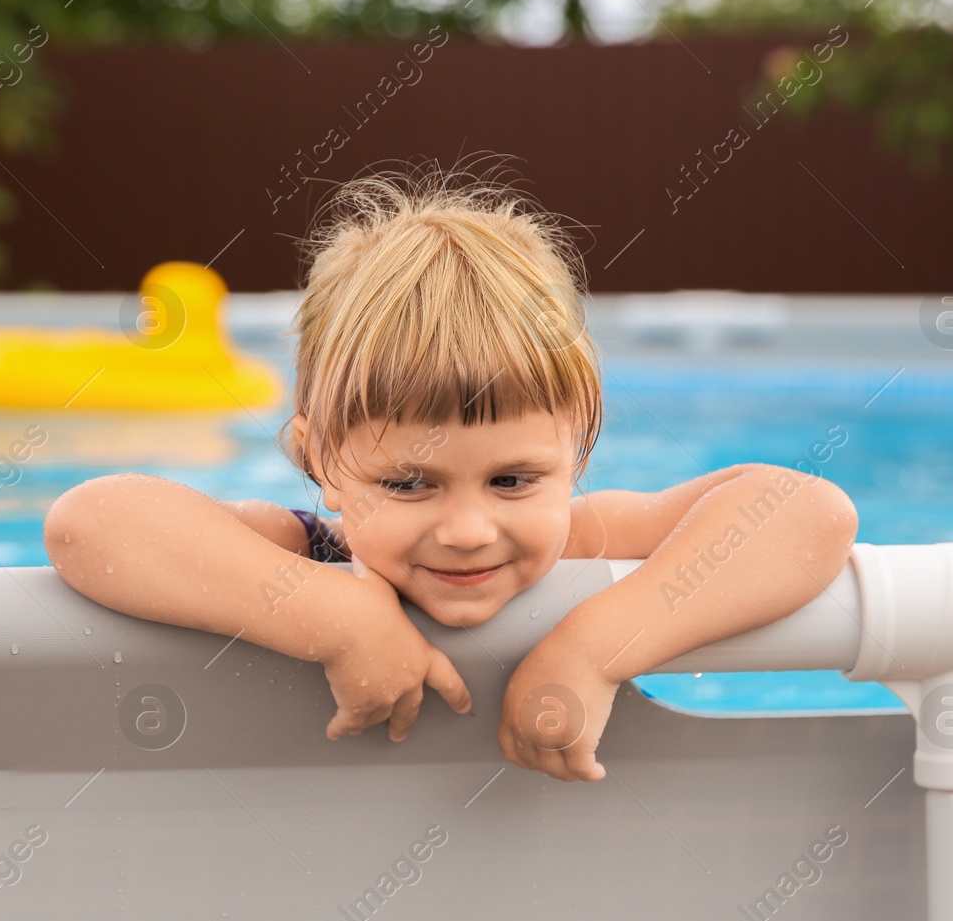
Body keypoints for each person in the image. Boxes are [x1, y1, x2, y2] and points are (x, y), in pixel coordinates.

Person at [43, 163, 858, 782]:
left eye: (513, 481)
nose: (469, 531)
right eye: (408, 483)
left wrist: (597, 647)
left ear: (574, 453)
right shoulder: (309, 552)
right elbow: (92, 523)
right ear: (321, 461)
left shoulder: (584, 538)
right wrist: (335, 618)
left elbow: (807, 512)